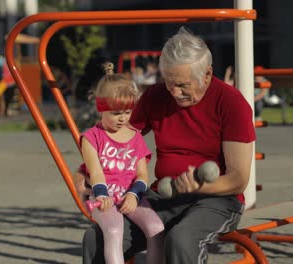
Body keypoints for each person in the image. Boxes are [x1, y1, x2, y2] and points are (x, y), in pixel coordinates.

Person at [77, 27, 256, 264]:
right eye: (169, 83)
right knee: (95, 239)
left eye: (182, 85)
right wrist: (83, 172)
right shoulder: (156, 96)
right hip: (165, 195)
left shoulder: (231, 103)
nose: (174, 92)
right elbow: (118, 137)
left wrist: (200, 187)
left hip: (218, 200)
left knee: (180, 239)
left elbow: (238, 179)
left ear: (207, 74)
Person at [77, 62, 164, 264]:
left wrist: (134, 194)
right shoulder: (91, 138)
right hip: (104, 196)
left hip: (130, 194)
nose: (122, 119)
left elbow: (142, 174)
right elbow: (96, 173)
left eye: (127, 112)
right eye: (116, 113)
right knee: (114, 229)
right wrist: (102, 194)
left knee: (156, 228)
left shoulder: (135, 136)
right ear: (101, 108)